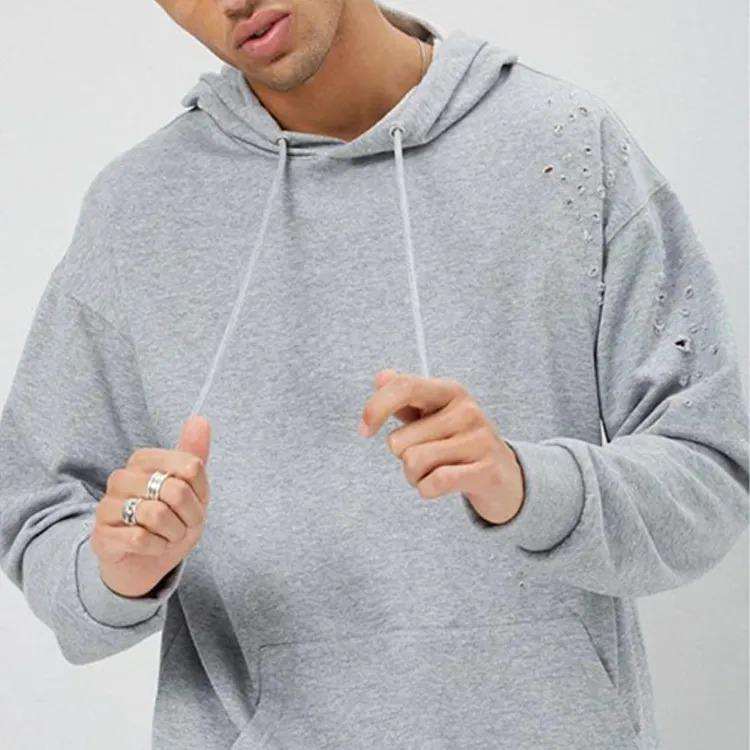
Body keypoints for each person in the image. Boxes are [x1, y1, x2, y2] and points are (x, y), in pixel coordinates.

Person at [1, 1, 747, 747]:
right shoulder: (139, 209)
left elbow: (710, 472)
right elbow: (35, 511)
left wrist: (526, 485)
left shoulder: (567, 146)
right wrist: (117, 571)